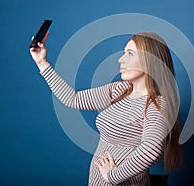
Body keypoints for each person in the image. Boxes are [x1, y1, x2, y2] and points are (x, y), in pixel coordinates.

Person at [30, 31, 183, 185]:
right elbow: (73, 99)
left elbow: (150, 151)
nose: (121, 59)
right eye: (123, 53)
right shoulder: (120, 90)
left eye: (130, 54)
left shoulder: (156, 104)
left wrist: (112, 176)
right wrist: (42, 63)